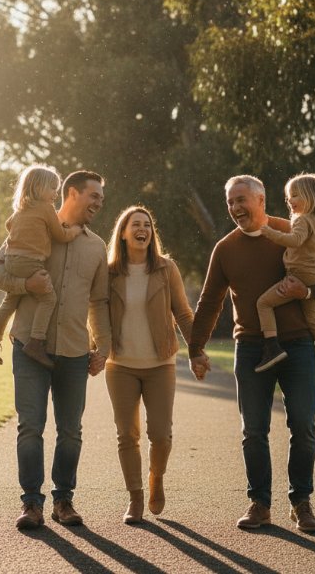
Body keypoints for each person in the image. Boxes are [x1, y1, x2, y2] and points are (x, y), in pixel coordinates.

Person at [188, 175, 315, 532]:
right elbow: (209, 301)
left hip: (298, 343)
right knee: (253, 430)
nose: (236, 208)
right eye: (230, 202)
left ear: (261, 199)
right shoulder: (225, 248)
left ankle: (301, 502)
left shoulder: (294, 231)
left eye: (242, 199)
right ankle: (259, 503)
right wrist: (196, 349)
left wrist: (307, 291)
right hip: (252, 347)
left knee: (303, 424)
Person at [5, 170, 110, 530]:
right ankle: (31, 504)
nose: (99, 202)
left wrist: (103, 347)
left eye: (101, 197)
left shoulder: (97, 246)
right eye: (93, 195)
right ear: (71, 193)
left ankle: (64, 500)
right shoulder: (33, 226)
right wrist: (24, 282)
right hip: (28, 347)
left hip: (74, 353)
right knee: (30, 427)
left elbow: (99, 302)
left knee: (70, 431)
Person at [104, 206, 193, 524]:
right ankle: (136, 497)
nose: (142, 229)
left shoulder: (166, 269)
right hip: (120, 365)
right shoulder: (110, 271)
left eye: (147, 225)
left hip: (160, 364)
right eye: (135, 225)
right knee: (127, 435)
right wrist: (94, 348)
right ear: (124, 233)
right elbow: (96, 314)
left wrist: (196, 351)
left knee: (160, 434)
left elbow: (183, 313)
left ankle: (156, 477)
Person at [0, 165, 82, 369]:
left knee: (10, 301)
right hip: (31, 262)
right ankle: (36, 341)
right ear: (38, 187)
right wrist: (75, 231)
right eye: (52, 188)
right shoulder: (45, 209)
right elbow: (60, 235)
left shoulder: (21, 210)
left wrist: (25, 233)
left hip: (12, 260)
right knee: (48, 298)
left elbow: (9, 225)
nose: (55, 193)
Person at [255, 173, 315, 385]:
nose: (290, 201)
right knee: (312, 319)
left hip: (298, 276)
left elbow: (294, 241)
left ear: (310, 196)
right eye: (288, 197)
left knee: (263, 303)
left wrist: (269, 232)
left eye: (295, 195)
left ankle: (272, 347)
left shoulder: (302, 220)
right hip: (314, 276)